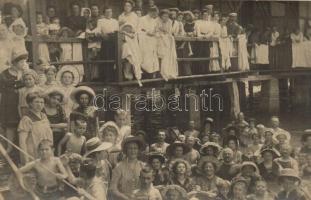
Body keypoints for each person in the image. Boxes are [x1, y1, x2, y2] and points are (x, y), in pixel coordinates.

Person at [0, 47, 27, 154]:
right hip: (8, 103)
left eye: (24, 62)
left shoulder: (25, 73)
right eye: (21, 62)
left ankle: (21, 149)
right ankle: (9, 148)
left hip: (22, 102)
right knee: (10, 126)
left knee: (22, 124)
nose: (23, 64)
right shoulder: (4, 74)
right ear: (15, 62)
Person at [18, 92, 53, 164]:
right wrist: (26, 159)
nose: (39, 105)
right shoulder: (26, 119)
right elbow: (22, 142)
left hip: (45, 151)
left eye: (42, 102)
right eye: (36, 102)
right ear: (30, 103)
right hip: (33, 152)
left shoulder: (44, 116)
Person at [155, 9, 178, 81]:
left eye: (167, 16)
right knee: (161, 54)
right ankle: (160, 72)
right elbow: (156, 30)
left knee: (168, 55)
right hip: (159, 38)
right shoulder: (157, 21)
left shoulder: (169, 22)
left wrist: (164, 31)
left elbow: (169, 31)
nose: (165, 18)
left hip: (167, 39)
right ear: (161, 16)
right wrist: (161, 32)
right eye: (164, 16)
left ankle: (167, 71)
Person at [138, 6, 159, 78]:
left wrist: (154, 33)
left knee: (152, 59)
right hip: (144, 42)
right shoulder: (142, 19)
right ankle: (144, 76)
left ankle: (151, 76)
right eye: (154, 14)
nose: (155, 15)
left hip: (152, 42)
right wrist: (147, 33)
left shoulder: (154, 21)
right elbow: (139, 30)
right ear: (150, 12)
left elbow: (156, 31)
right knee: (144, 59)